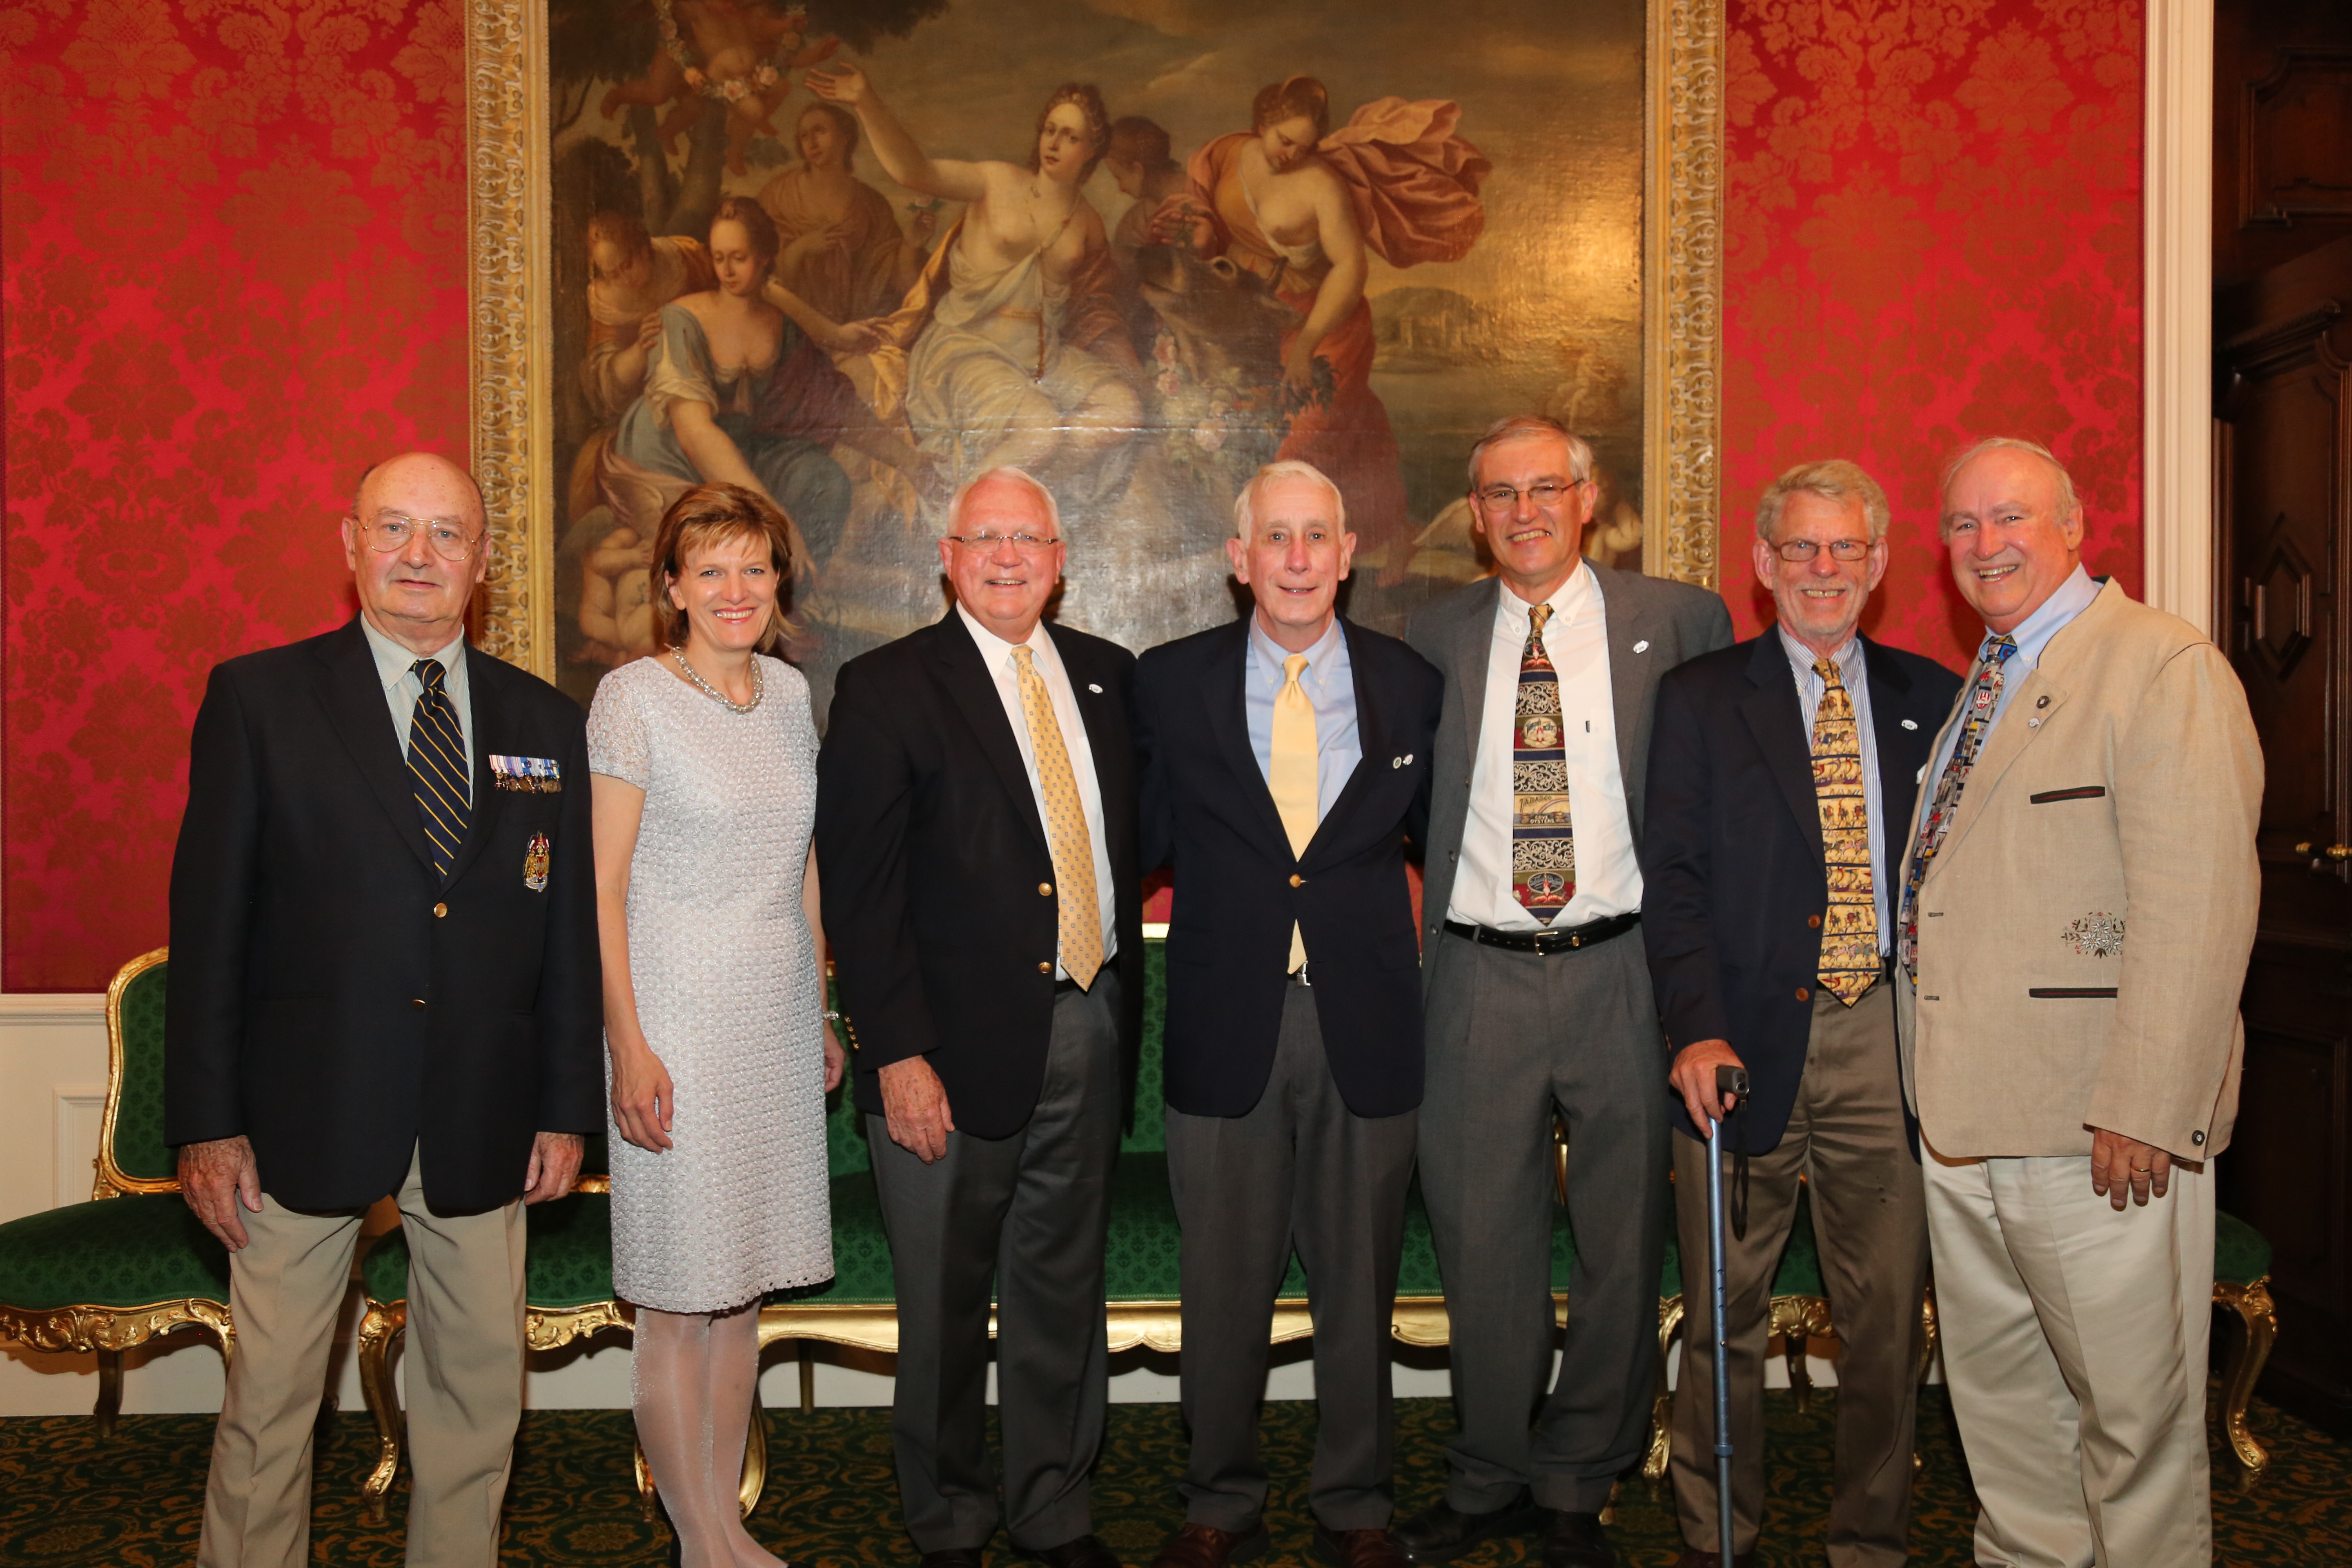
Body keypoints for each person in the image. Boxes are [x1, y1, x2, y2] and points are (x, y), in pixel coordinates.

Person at [165, 452, 601, 1568]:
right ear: (349, 544)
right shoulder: (260, 700)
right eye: (395, 528)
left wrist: (564, 1107)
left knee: (476, 1401)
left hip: (483, 1113)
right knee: (269, 1406)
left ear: (485, 562)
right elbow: (210, 929)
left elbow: (562, 937)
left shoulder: (546, 721)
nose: (420, 555)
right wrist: (206, 1124)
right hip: (297, 1115)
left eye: (448, 534)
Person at [1900, 437, 2261, 1568]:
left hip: (2098, 1128)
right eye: (1962, 526)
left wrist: (2148, 1103)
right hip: (1965, 1121)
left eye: (2010, 518)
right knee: (2007, 1420)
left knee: (2132, 1426)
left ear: (2074, 524)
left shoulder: (2162, 665)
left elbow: (2198, 905)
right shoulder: (1991, 678)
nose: (1984, 545)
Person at [1399, 416, 1731, 1568]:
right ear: (1477, 514)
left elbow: (1717, 804)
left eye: (1548, 488)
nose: (1525, 511)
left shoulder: (1681, 622)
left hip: (1629, 974)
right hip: (1478, 973)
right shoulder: (1427, 632)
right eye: (1501, 494)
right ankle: (1488, 1471)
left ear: (1590, 499)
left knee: (1622, 1242)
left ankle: (1577, 1483)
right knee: (1480, 1241)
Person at [814, 467, 1145, 1568]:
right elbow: (859, 897)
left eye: (1030, 540)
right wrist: (897, 1053)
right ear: (947, 557)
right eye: (985, 540)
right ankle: (951, 1518)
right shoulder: (887, 685)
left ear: (1061, 559)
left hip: (1087, 1024)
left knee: (1062, 1287)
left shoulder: (1108, 679)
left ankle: (1053, 1506)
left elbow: (1136, 840)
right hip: (943, 1054)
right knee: (946, 1303)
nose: (1008, 558)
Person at [1641, 460, 1963, 1568]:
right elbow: (1671, 876)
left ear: (1877, 568)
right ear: (1764, 566)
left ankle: (1869, 1542)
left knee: (1885, 1328)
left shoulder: (1936, 697)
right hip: (1732, 1043)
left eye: (1847, 551)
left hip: (1887, 1040)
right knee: (1721, 1316)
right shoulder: (1697, 699)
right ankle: (1715, 1537)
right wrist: (1692, 1027)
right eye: (1801, 550)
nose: (1823, 570)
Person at [1134, 460, 1443, 1568]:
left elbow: (1453, 853)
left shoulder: (1412, 684)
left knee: (1359, 1283)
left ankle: (1356, 1506)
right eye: (1279, 538)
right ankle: (1219, 1500)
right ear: (1240, 560)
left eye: (1320, 535)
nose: (1300, 558)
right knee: (1223, 1282)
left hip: (1365, 1024)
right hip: (1228, 1024)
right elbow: (1128, 845)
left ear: (1350, 555)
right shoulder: (1169, 686)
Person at [589, 482, 845, 1568]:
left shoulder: (789, 695)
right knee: (678, 1300)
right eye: (712, 570)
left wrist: (824, 1001)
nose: (735, 589)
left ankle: (725, 1527)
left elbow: (805, 860)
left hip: (776, 1021)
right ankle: (702, 1543)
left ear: (777, 583)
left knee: (740, 1293)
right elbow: (599, 890)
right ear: (671, 587)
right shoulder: (633, 699)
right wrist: (629, 1047)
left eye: (754, 567)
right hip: (677, 1022)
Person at [1161, 76, 1486, 577]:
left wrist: (1307, 343)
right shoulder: (1227, 154)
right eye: (1283, 140)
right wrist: (1197, 232)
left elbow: (1350, 269)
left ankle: (1309, 563)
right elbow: (1204, 214)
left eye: (1304, 147)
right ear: (1262, 123)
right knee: (1251, 431)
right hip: (1253, 319)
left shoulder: (1322, 185)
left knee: (1308, 440)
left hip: (1322, 320)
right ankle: (1337, 545)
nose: (1292, 155)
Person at [807, 66, 1141, 495]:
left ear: (1093, 150)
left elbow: (1097, 305)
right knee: (1040, 432)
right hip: (968, 348)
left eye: (1071, 137)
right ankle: (965, 511)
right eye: (1050, 130)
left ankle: (1028, 492)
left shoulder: (1088, 222)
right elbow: (915, 171)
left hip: (1042, 359)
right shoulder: (995, 181)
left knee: (1124, 409)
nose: (1054, 143)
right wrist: (865, 101)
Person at [599, 196, 862, 577]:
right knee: (717, 535)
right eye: (719, 258)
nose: (727, 270)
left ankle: (788, 604)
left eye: (738, 257)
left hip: (741, 448)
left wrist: (909, 460)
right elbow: (695, 432)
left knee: (827, 481)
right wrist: (776, 515)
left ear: (766, 256)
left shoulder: (781, 326)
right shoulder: (681, 319)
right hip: (671, 455)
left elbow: (835, 404)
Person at [756, 101, 935, 331]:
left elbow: (899, 289)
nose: (811, 143)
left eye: (820, 131)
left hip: (855, 329)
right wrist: (799, 250)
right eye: (804, 136)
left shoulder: (872, 206)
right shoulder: (778, 196)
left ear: (845, 136)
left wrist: (910, 247)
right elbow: (755, 272)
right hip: (790, 327)